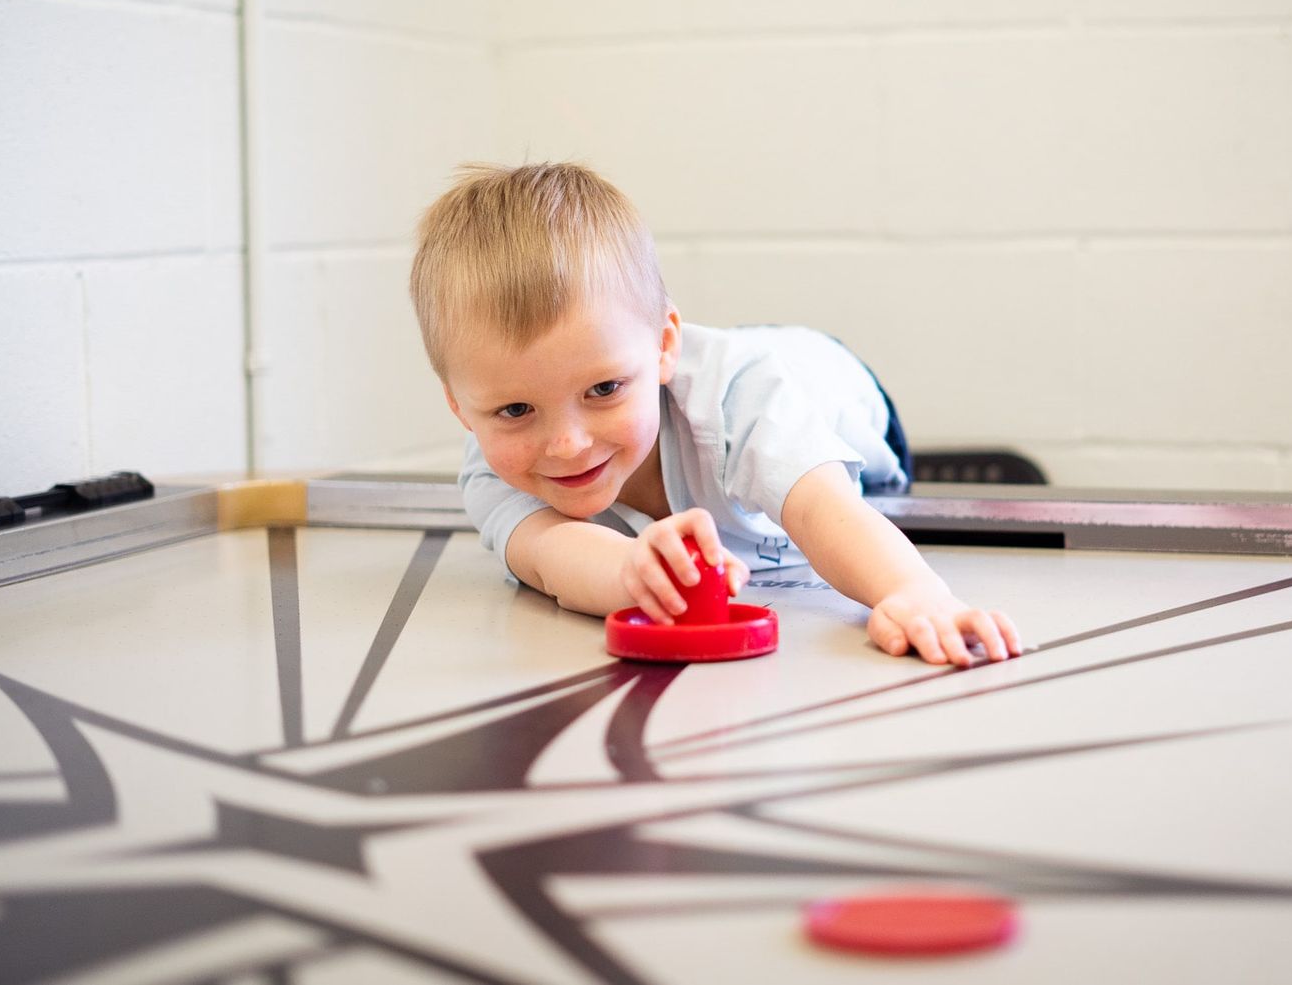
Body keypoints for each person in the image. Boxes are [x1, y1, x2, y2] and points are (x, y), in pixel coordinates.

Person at [409, 162, 1022, 666]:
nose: (566, 443)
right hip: (697, 373)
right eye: (516, 409)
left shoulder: (741, 396)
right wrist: (637, 572)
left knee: (787, 457)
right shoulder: (492, 470)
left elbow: (821, 508)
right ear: (458, 407)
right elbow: (552, 556)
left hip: (824, 377)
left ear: (663, 347)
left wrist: (914, 593)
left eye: (604, 389)